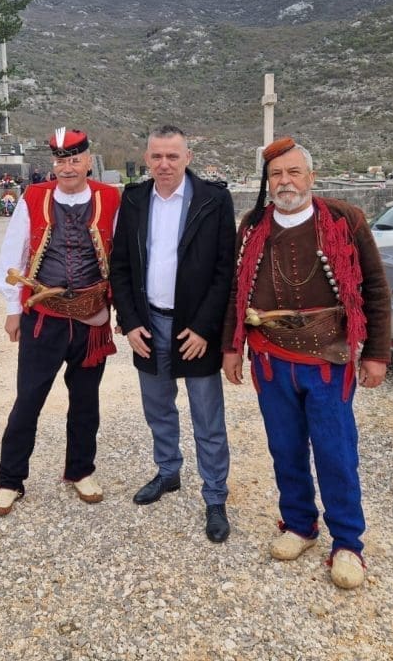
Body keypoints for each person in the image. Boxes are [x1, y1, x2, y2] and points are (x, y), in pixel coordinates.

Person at [222, 137, 390, 589]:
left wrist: (376, 353)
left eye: (294, 172)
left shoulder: (345, 220)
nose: (285, 182)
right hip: (271, 359)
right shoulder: (253, 225)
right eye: (276, 174)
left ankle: (348, 543)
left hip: (329, 359)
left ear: (311, 177)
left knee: (336, 451)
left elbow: (375, 288)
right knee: (285, 447)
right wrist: (232, 346)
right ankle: (299, 525)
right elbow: (237, 290)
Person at [110, 125, 236, 543]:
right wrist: (130, 322)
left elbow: (224, 271)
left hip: (193, 328)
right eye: (157, 156)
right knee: (158, 408)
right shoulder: (134, 199)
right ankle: (168, 471)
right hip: (148, 324)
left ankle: (214, 496)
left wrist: (203, 328)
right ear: (147, 158)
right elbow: (120, 266)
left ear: (187, 158)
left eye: (172, 156)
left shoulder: (213, 200)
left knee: (207, 418)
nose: (164, 164)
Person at [0, 128, 121, 516]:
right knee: (28, 400)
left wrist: (125, 313)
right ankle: (9, 480)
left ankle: (81, 471)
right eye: (62, 161)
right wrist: (13, 308)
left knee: (86, 401)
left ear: (88, 160)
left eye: (75, 159)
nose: (68, 167)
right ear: (54, 163)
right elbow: (13, 255)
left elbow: (123, 258)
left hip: (92, 318)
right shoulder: (34, 197)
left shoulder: (111, 198)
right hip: (43, 318)